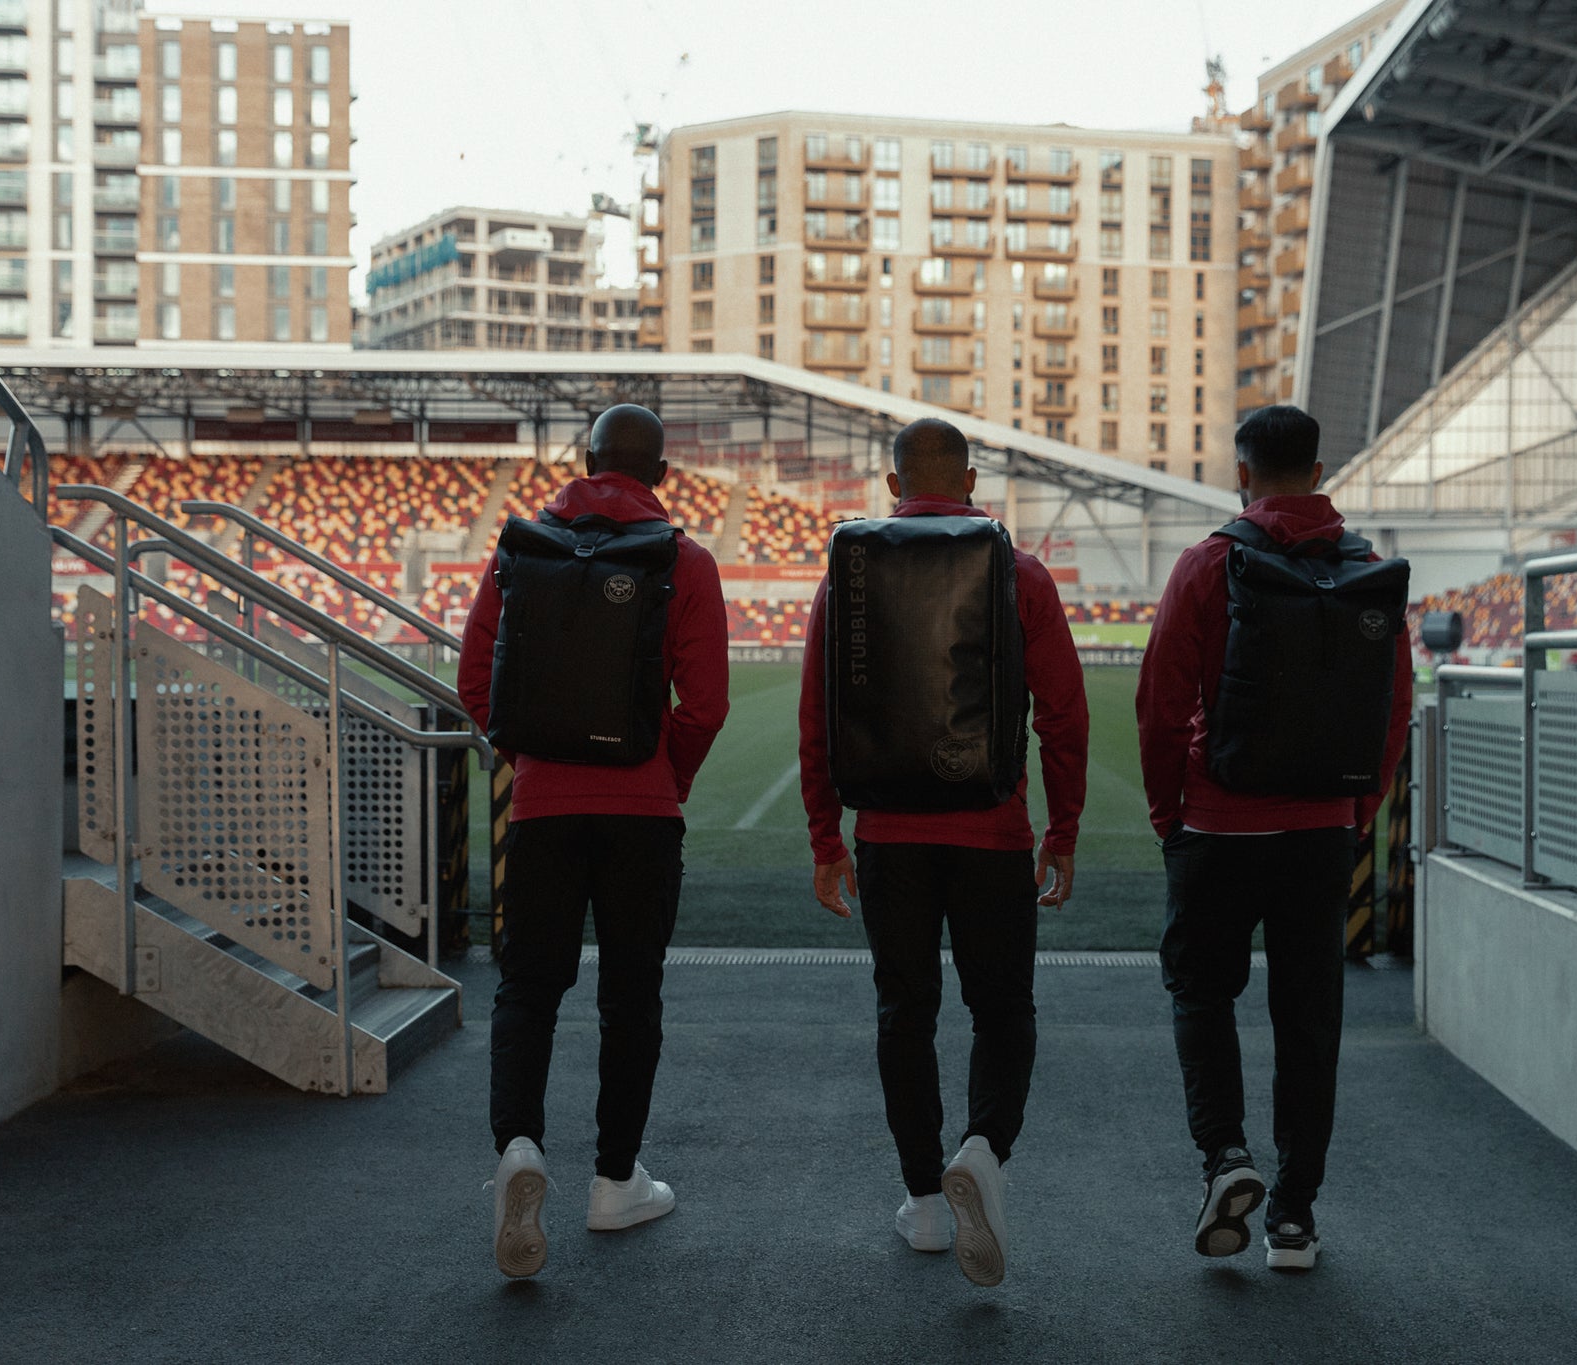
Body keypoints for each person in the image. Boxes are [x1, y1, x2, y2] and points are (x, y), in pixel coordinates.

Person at [797, 417, 1089, 1288]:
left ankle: (925, 1200)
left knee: (905, 1013)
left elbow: (818, 717)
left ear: (894, 486)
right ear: (969, 481)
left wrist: (825, 837)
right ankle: (984, 1150)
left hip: (889, 834)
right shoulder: (1019, 571)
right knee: (1003, 1010)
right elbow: (1064, 715)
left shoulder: (847, 573)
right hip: (993, 830)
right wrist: (1063, 829)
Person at [1135, 404, 1411, 1271]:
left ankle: (1226, 1156)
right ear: (1319, 473)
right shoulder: (1366, 570)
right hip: (1322, 828)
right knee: (1309, 1016)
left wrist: (1168, 813)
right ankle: (1294, 1215)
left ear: (1242, 474)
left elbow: (1160, 703)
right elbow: (1393, 708)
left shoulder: (1208, 563)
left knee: (1200, 991)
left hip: (1218, 823)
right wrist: (1359, 809)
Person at [458, 404, 730, 1279]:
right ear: (662, 475)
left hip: (543, 810)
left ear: (584, 462)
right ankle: (615, 1181)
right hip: (642, 814)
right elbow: (706, 703)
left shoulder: (521, 548)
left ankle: (519, 1145)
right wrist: (663, 772)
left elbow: (476, 680)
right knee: (631, 996)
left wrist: (531, 758)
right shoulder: (686, 560)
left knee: (528, 988)